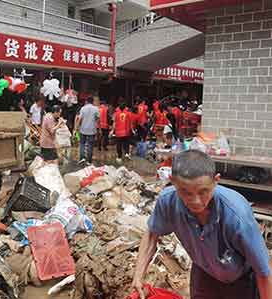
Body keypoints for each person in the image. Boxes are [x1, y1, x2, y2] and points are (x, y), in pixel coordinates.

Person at [132, 150, 272, 299]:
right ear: (173, 181)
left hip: (242, 279)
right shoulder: (168, 202)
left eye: (203, 191)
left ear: (216, 180)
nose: (195, 201)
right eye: (185, 192)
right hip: (204, 272)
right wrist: (138, 275)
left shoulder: (236, 216)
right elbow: (152, 233)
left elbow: (263, 272)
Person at [75, 96, 100, 164]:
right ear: (93, 101)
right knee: (90, 145)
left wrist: (76, 128)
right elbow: (98, 119)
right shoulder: (96, 109)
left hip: (83, 129)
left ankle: (82, 158)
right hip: (92, 130)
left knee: (82, 144)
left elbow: (79, 119)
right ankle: (89, 161)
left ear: (87, 101)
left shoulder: (83, 108)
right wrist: (99, 129)